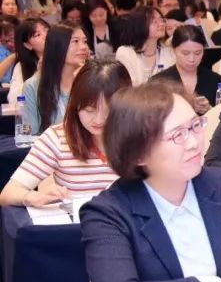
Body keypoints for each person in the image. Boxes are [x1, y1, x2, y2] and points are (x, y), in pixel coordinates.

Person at [80, 81, 221, 282]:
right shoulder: (107, 214)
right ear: (138, 154)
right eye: (177, 135)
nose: (194, 143)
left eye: (195, 126)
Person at [0, 60, 130, 206]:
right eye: (90, 110)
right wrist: (31, 196)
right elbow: (8, 193)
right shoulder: (57, 138)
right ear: (75, 104)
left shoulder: (139, 137)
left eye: (108, 112)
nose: (99, 120)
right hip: (78, 220)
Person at [22, 23, 89, 135]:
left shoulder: (88, 81)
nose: (84, 47)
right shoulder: (32, 86)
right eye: (76, 41)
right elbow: (28, 133)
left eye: (85, 41)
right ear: (57, 46)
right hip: (48, 145)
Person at [151, 26, 221, 116]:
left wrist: (210, 109)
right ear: (173, 50)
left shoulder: (214, 79)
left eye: (198, 53)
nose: (191, 59)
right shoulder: (159, 81)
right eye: (185, 53)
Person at [115, 6, 175, 85]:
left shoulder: (169, 52)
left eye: (161, 20)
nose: (161, 24)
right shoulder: (125, 52)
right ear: (139, 24)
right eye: (154, 21)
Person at [10, 17, 48, 99]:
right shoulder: (21, 67)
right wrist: (37, 76)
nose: (46, 35)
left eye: (46, 30)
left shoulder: (67, 60)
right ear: (28, 45)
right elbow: (15, 98)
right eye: (37, 35)